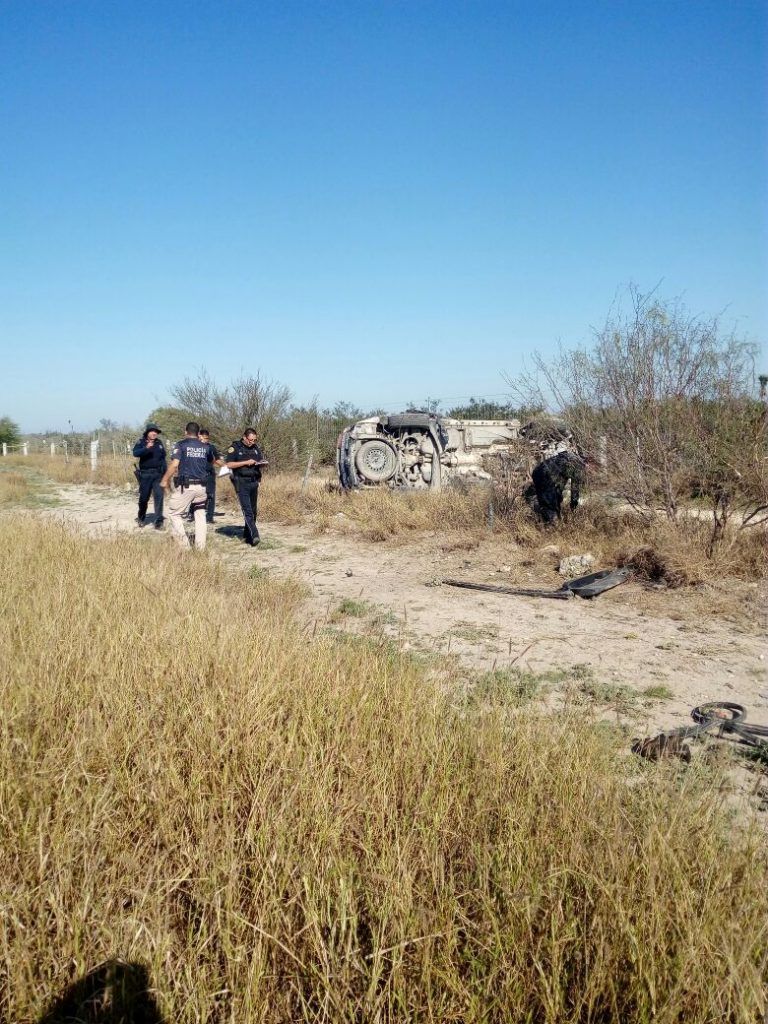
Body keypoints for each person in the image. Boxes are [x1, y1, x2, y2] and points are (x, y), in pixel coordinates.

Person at [160, 421, 215, 551]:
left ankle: (185, 547)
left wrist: (164, 480)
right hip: (202, 487)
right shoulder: (206, 447)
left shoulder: (181, 445)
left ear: (186, 431)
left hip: (187, 487)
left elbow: (174, 465)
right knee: (200, 514)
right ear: (198, 433)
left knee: (174, 514)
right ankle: (200, 548)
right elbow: (211, 461)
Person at [225, 428, 268, 545]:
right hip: (241, 482)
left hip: (254, 482)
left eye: (254, 440)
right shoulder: (235, 447)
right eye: (250, 440)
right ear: (244, 437)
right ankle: (255, 535)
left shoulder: (255, 448)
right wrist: (245, 463)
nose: (252, 442)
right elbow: (229, 464)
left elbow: (259, 462)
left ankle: (247, 534)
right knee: (247, 511)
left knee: (253, 511)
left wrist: (262, 465)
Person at [530, 450, 588, 525]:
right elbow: (575, 489)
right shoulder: (578, 465)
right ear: (586, 462)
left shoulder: (566, 458)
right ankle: (552, 528)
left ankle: (541, 523)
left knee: (547, 502)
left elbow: (559, 487)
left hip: (537, 471)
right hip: (546, 475)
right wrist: (573, 508)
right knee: (551, 506)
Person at [131, 423, 167, 529]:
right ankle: (141, 518)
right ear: (147, 433)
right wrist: (146, 448)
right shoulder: (141, 442)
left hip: (158, 474)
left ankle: (158, 521)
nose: (154, 433)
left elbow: (163, 459)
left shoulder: (159, 443)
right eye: (152, 431)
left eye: (156, 432)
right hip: (145, 474)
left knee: (159, 497)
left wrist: (165, 475)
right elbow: (135, 453)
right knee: (144, 498)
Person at [186, 428, 222, 523]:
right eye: (204, 438)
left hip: (209, 474)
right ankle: (191, 513)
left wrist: (226, 466)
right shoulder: (194, 447)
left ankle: (209, 517)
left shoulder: (211, 447)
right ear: (199, 436)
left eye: (207, 438)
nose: (206, 440)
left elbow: (216, 459)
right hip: (197, 475)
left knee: (211, 495)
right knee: (196, 495)